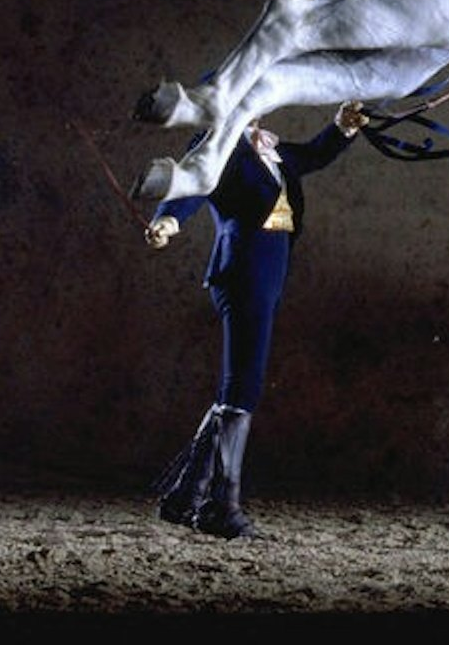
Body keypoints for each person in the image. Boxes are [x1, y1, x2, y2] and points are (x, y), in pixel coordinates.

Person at [145, 99, 369, 539]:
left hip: (268, 272)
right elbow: (190, 186)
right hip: (243, 270)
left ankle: (186, 495)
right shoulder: (216, 146)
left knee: (240, 384)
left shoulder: (268, 148)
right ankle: (220, 505)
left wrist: (342, 127)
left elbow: (312, 155)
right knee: (244, 384)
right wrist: (168, 220)